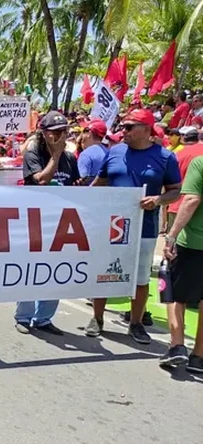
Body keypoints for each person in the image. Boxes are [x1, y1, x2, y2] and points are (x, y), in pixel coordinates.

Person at [88, 109, 182, 344]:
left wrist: (158, 200)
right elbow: (99, 183)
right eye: (123, 126)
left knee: (140, 278)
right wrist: (79, 203)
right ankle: (97, 318)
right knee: (105, 272)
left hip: (145, 228)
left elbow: (175, 190)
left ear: (147, 129)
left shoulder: (165, 157)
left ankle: (136, 323)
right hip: (112, 226)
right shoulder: (114, 152)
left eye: (129, 127)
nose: (123, 131)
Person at [16, 111, 82, 336]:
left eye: (62, 132)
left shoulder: (70, 159)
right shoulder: (33, 154)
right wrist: (55, 155)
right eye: (53, 133)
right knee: (31, 269)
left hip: (62, 224)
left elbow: (75, 187)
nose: (58, 137)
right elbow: (42, 180)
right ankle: (24, 316)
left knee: (56, 271)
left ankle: (44, 318)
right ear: (43, 134)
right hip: (35, 223)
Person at [161, 156, 203, 372]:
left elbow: (191, 200)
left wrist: (171, 235)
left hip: (195, 242)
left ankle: (177, 344)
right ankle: (199, 355)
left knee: (175, 294)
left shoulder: (200, 162)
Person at [166, 127, 203, 233]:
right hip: (198, 208)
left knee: (172, 246)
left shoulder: (177, 154)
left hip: (177, 205)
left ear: (183, 138)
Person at [77, 118, 108, 183]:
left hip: (90, 192)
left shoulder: (86, 155)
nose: (82, 134)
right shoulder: (108, 153)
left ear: (89, 133)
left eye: (84, 131)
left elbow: (81, 182)